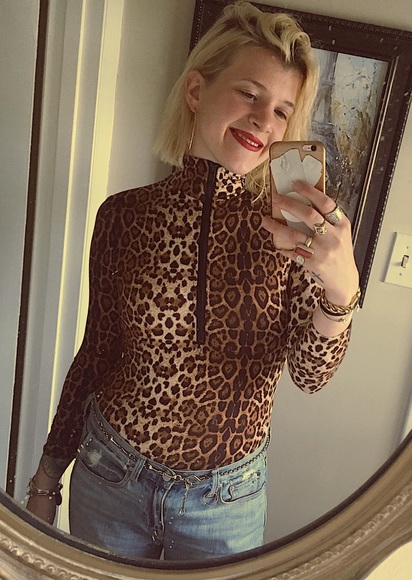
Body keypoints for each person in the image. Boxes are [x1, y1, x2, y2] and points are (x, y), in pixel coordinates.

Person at [26, 1, 360, 561]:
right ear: (196, 90)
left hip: (226, 502)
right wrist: (45, 479)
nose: (264, 120)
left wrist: (340, 289)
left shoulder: (293, 231)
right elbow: (98, 350)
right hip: (111, 474)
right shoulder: (125, 216)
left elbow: (310, 376)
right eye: (249, 94)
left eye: (282, 110)